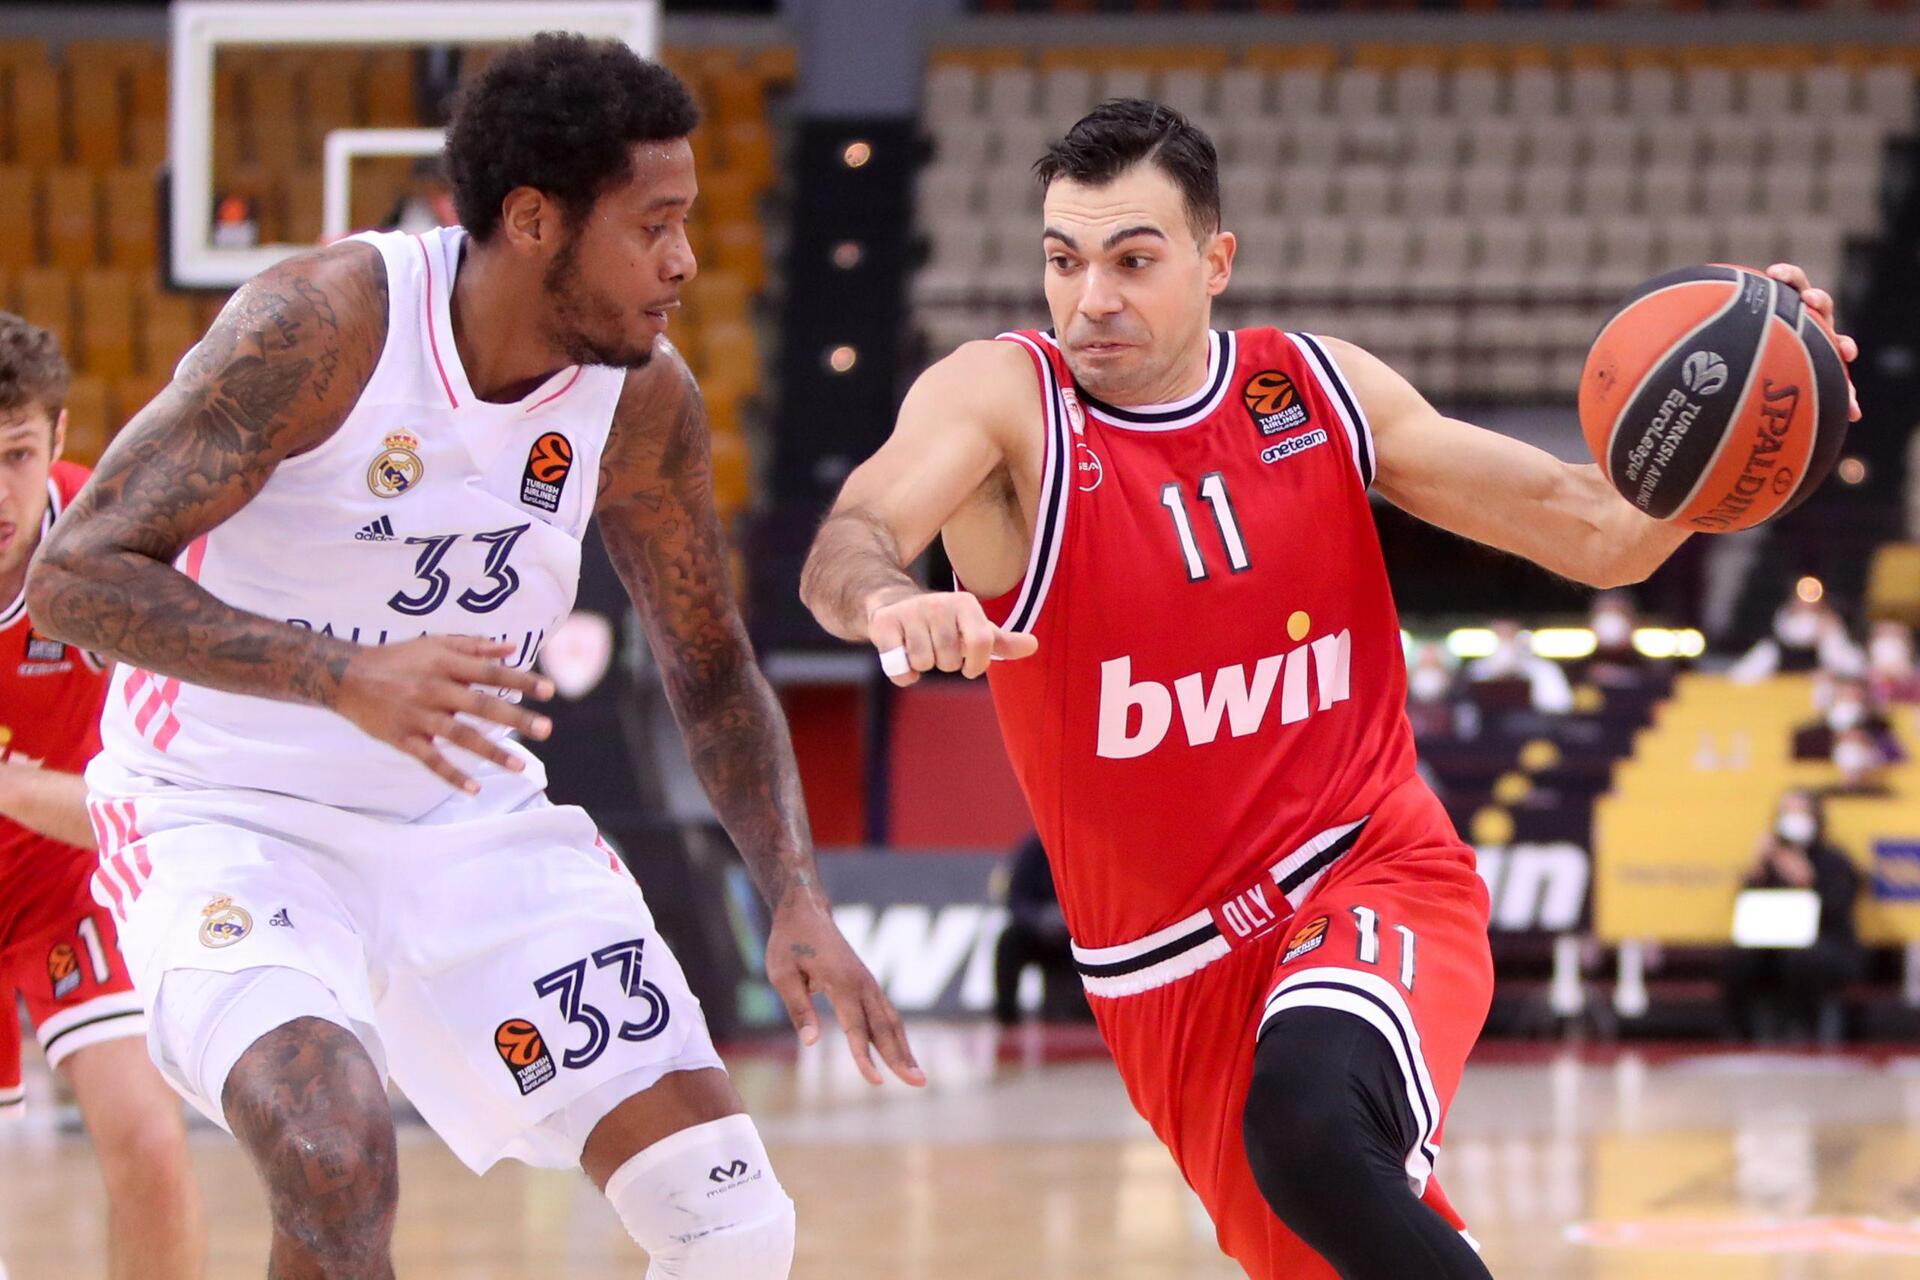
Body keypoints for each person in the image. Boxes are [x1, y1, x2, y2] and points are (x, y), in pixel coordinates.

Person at [798, 99, 1858, 1280]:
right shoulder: (1005, 401)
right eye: (1064, 260)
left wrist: (1746, 415)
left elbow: (1597, 530)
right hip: (1166, 970)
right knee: (1335, 1226)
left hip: (1369, 866)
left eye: (1133, 260)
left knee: (1310, 1132)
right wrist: (889, 599)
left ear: (1215, 262)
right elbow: (850, 535)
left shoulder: (1316, 389)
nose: (1090, 297)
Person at [28, 36, 918, 1279]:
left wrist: (797, 892)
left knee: (731, 1217)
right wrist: (341, 676)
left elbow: (711, 663)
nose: (684, 261)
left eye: (686, 222)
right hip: (228, 815)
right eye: (653, 225)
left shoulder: (642, 400)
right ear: (536, 220)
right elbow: (73, 576)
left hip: (466, 824)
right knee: (334, 1149)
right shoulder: (324, 324)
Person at [0, 314, 206, 1277]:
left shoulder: (111, 546)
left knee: (151, 1146)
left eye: (15, 454)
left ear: (58, 435)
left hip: (65, 875)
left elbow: (145, 806)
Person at [1723, 791, 1865, 1043]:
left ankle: (1803, 1032)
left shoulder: (1834, 861)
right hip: (1771, 945)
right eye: (1788, 812)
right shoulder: (1768, 862)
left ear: (1816, 817)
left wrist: (1807, 882)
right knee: (1737, 958)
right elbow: (1746, 909)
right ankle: (1741, 1035)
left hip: (1827, 943)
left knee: (1801, 959)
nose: (1794, 819)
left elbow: (1838, 908)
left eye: (1801, 812)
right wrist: (1757, 870)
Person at [992, 832, 1085, 1025]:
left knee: (1071, 1013)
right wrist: (1040, 920)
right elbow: (1016, 899)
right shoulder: (1033, 849)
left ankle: (1084, 1012)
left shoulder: (1085, 848)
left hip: (1075, 936)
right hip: (1037, 932)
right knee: (1008, 941)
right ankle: (1006, 1016)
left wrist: (1069, 921)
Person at [1730, 593, 1863, 682]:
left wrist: (1833, 635)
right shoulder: (1771, 649)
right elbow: (1738, 679)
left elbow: (1855, 671)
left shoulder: (1831, 643)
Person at [1465, 618, 1573, 714]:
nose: (1505, 635)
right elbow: (1467, 712)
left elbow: (1560, 706)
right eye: (1500, 630)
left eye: (1509, 630)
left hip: (1531, 725)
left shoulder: (1545, 669)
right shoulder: (1477, 669)